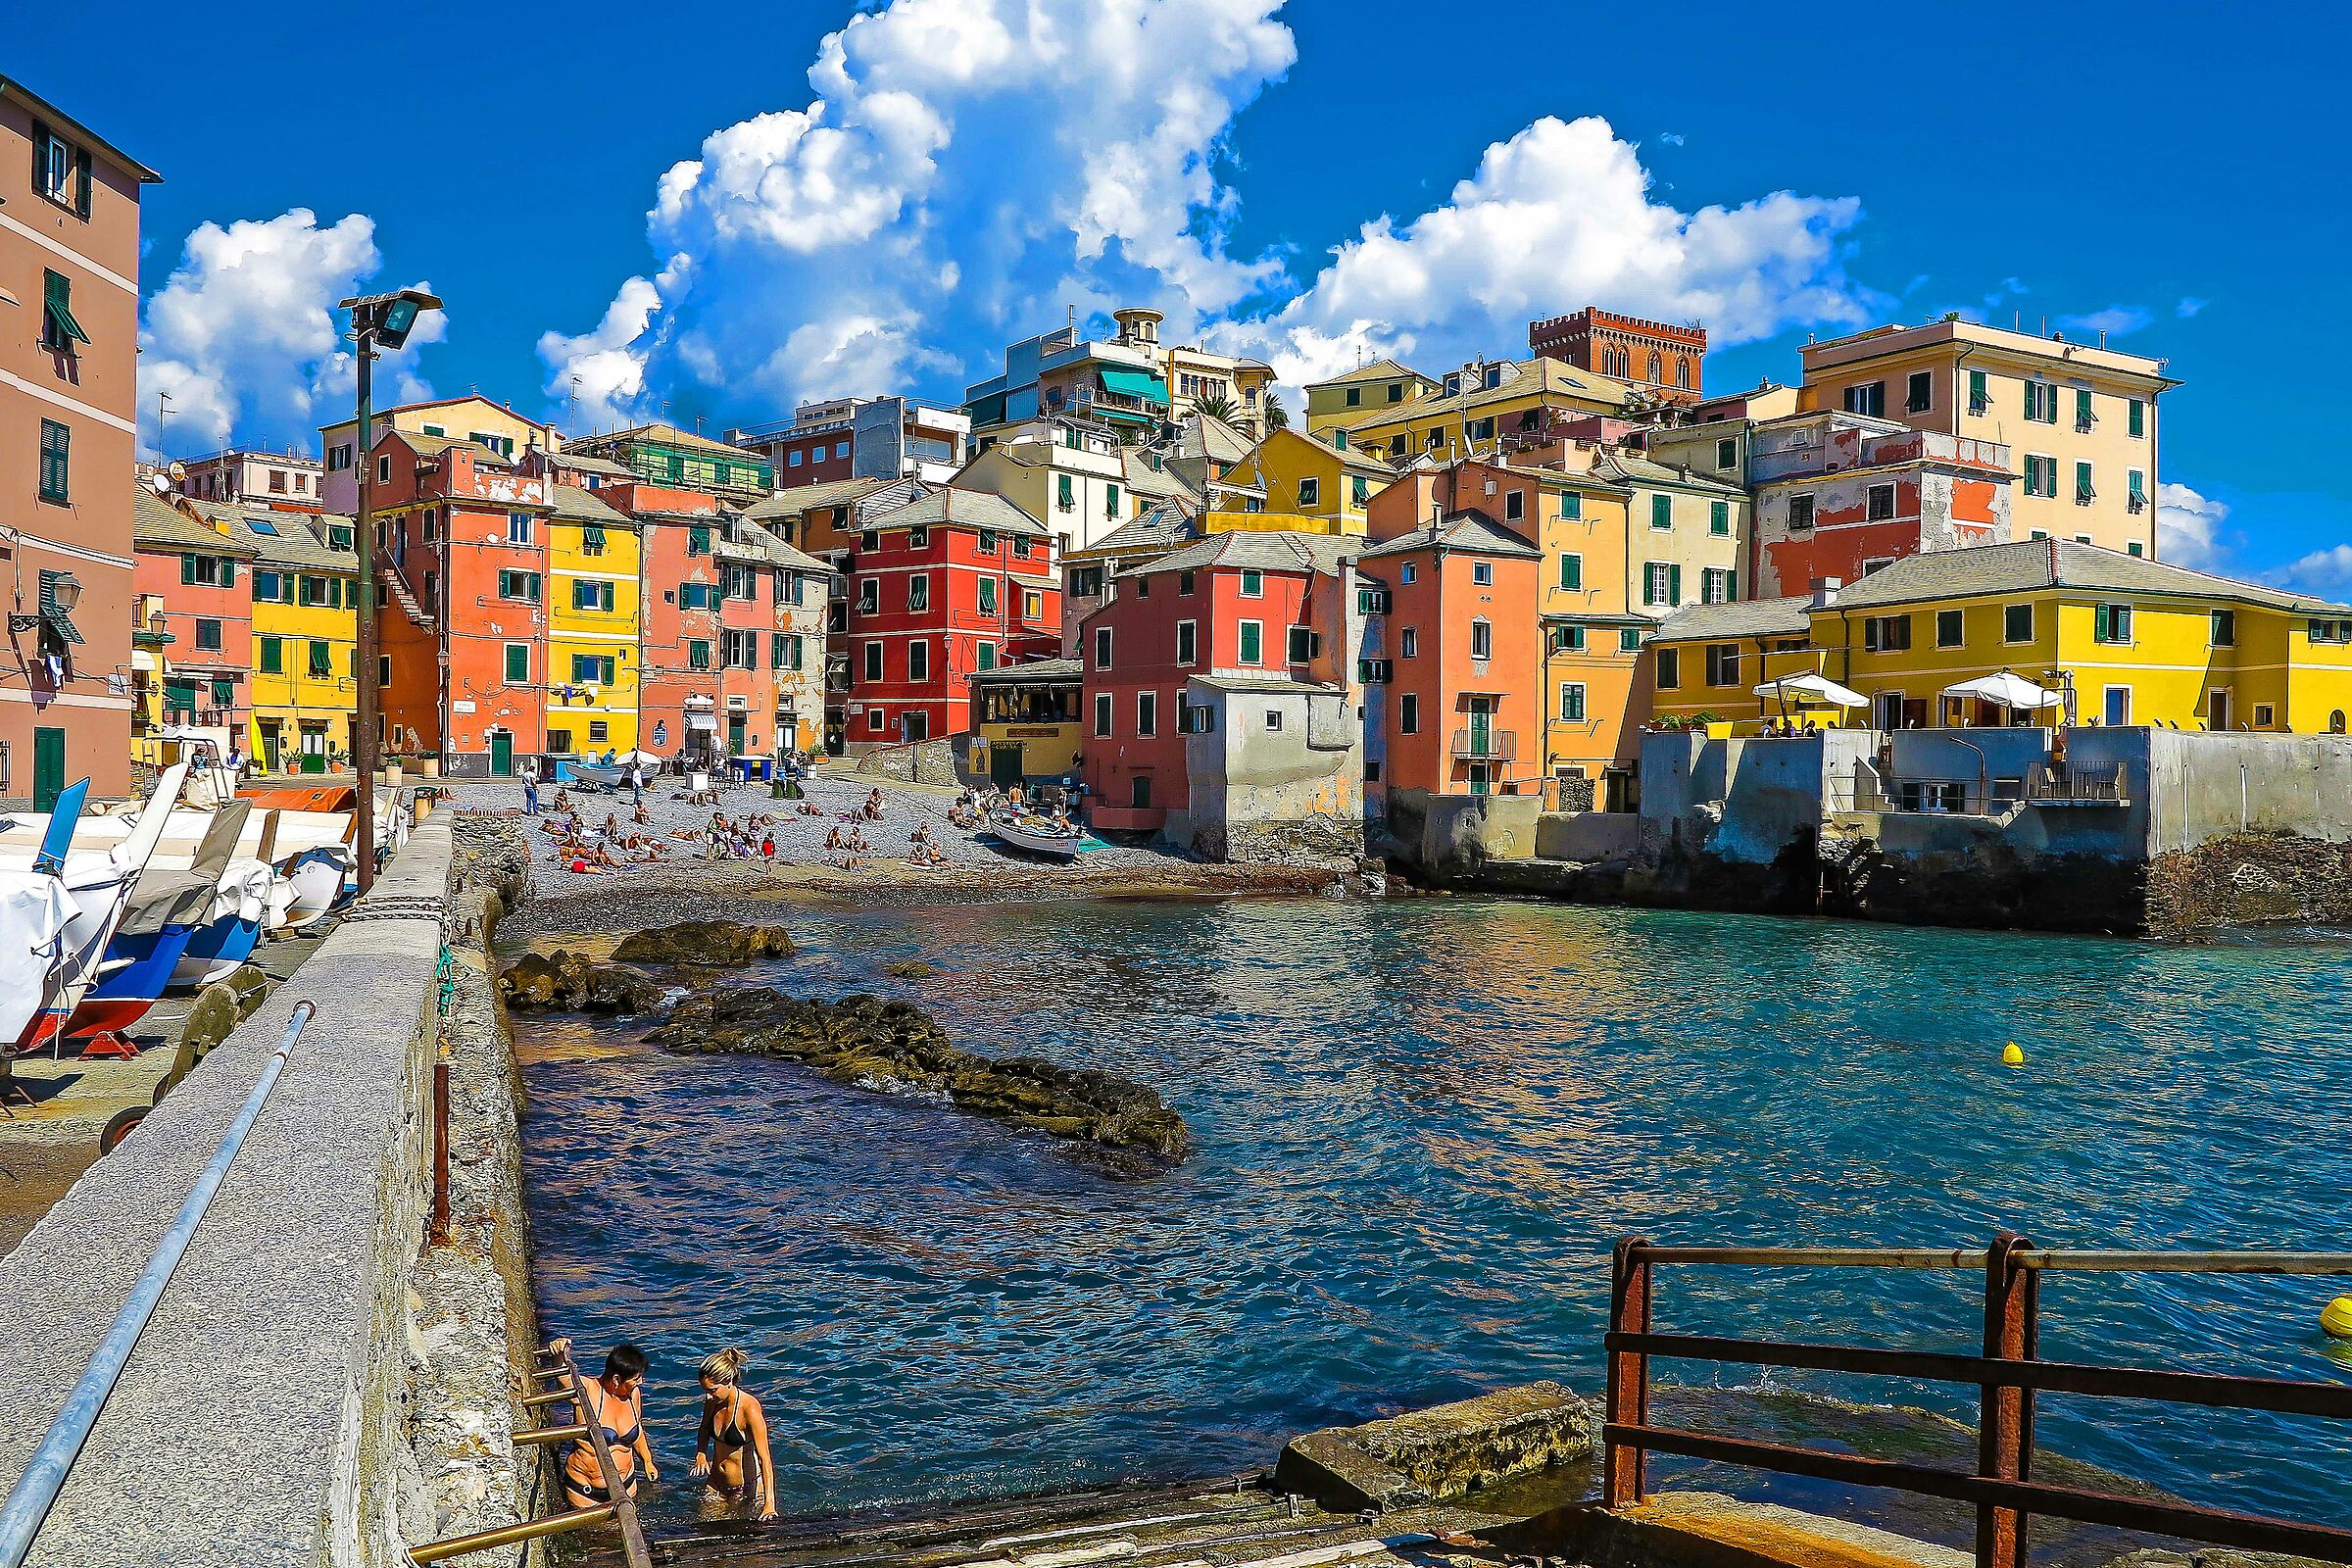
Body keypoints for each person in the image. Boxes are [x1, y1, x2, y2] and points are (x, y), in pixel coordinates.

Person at [555, 1342, 658, 1510]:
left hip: (626, 1487)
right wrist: (558, 1355)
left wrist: (647, 1460)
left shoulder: (634, 1395)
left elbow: (637, 1431)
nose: (641, 1382)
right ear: (616, 1379)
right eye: (636, 1379)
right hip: (585, 1491)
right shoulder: (587, 1390)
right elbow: (563, 1379)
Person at [691, 1348, 778, 1521]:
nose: (708, 1396)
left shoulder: (749, 1409)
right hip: (715, 1484)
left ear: (729, 1381)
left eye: (713, 1390)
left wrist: (770, 1504)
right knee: (704, 1532)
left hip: (745, 1489)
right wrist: (701, 1453)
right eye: (705, 1390)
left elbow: (765, 1458)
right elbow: (704, 1429)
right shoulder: (712, 1402)